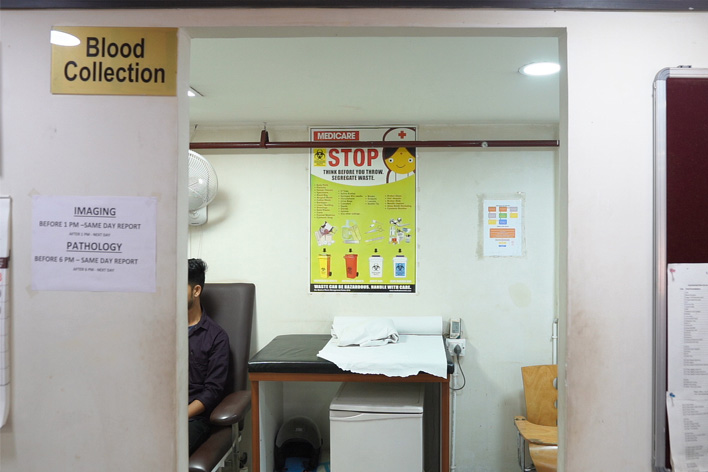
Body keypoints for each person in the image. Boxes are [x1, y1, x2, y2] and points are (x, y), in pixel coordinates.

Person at [187, 258, 230, 455]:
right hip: (158, 412)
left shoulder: (216, 337)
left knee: (163, 451)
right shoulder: (163, 329)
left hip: (193, 418)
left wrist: (179, 417)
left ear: (196, 291)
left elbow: (212, 391)